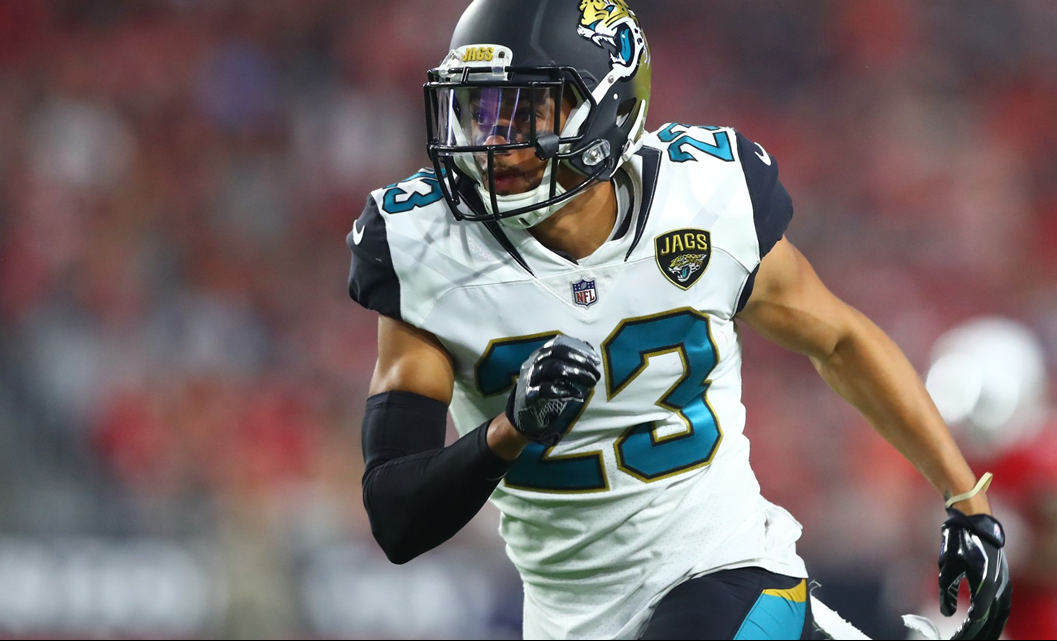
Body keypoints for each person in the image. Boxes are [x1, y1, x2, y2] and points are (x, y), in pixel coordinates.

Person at [345, 1, 1011, 638]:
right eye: (479, 110)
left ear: (606, 105)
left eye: (526, 112)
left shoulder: (702, 203)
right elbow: (399, 518)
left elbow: (838, 339)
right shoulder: (425, 249)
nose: (497, 142)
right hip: (567, 616)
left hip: (722, 567)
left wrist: (966, 498)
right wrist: (508, 430)